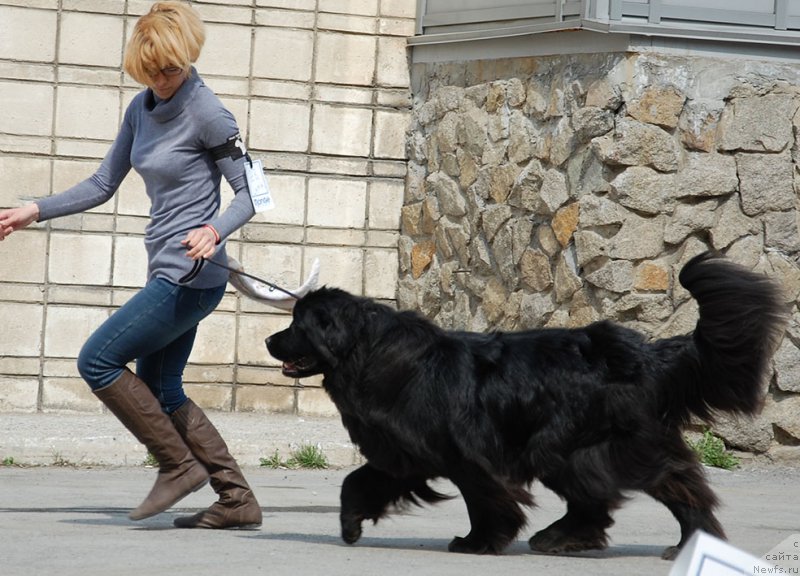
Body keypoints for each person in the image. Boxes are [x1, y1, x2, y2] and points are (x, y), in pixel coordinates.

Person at [0, 1, 262, 529]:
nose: (163, 80)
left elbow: (250, 194)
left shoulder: (209, 112)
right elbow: (103, 184)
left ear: (188, 58)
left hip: (192, 275)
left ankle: (177, 467)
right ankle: (237, 500)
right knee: (162, 389)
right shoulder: (141, 109)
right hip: (164, 270)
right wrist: (35, 209)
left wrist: (215, 229)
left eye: (172, 69)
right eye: (152, 72)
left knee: (97, 360)